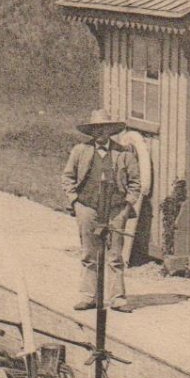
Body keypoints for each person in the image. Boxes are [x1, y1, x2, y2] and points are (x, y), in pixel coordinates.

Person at [61, 109, 142, 312]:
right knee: (89, 253)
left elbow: (135, 183)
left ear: (110, 130)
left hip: (116, 209)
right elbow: (68, 177)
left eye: (104, 128)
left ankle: (117, 298)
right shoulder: (80, 151)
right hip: (87, 207)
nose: (100, 132)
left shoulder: (124, 153)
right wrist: (75, 202)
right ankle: (89, 296)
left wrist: (126, 205)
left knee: (115, 255)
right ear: (91, 132)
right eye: (96, 129)